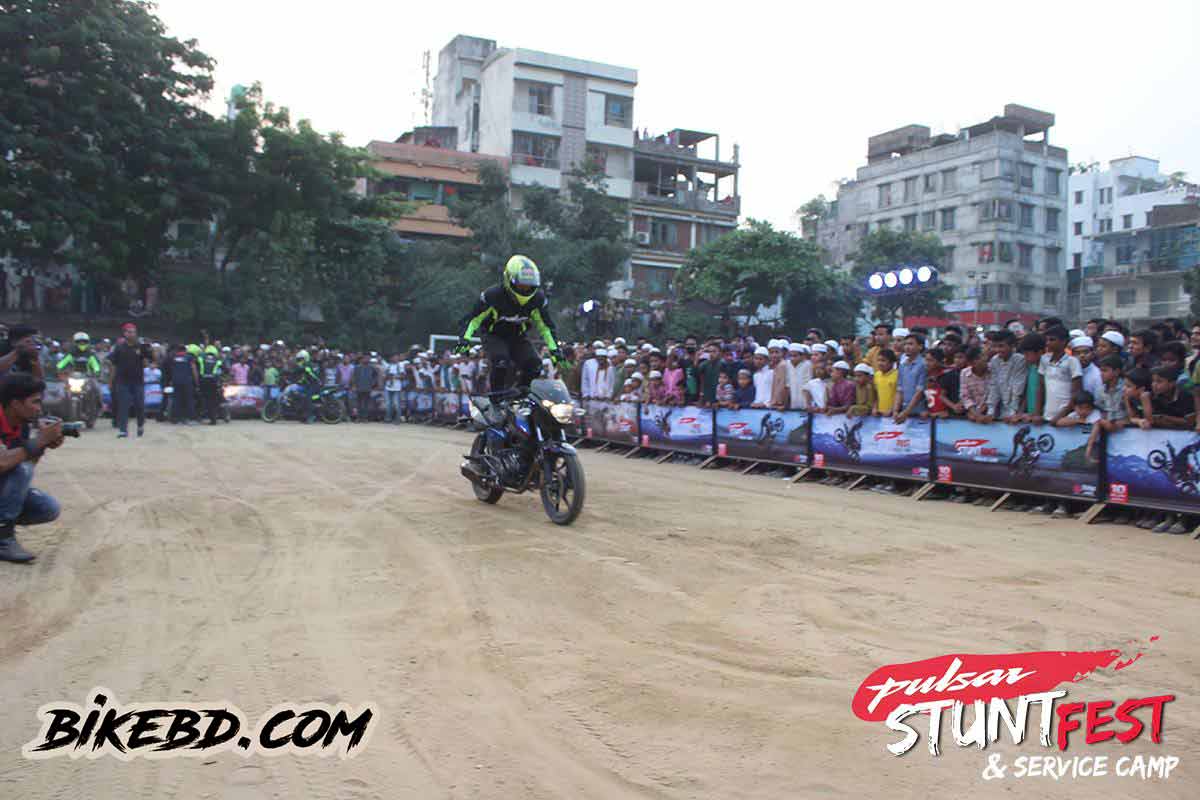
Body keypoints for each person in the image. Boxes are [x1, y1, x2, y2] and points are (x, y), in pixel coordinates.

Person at [455, 255, 564, 393]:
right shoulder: (493, 296)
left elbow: (546, 327)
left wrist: (555, 350)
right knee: (501, 362)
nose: (525, 289)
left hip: (518, 336)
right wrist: (464, 339)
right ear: (509, 280)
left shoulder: (537, 299)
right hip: (493, 335)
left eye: (529, 286)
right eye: (521, 285)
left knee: (535, 364)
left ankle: (521, 393)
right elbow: (473, 319)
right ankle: (497, 396)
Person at [0, 374, 65, 563]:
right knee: (22, 469)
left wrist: (42, 445)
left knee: (47, 508)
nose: (39, 408)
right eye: (35, 402)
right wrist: (38, 441)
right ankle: (3, 539)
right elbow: (2, 463)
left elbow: (27, 465)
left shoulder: (21, 425)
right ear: (15, 404)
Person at [109, 322, 146, 438]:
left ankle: (140, 425)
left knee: (140, 405)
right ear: (124, 333)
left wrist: (146, 352)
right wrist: (111, 380)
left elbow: (146, 362)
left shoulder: (141, 347)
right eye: (129, 332)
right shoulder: (119, 347)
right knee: (123, 406)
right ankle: (123, 430)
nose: (132, 334)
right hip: (122, 381)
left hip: (138, 381)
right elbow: (113, 365)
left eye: (134, 332)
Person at [164, 342, 198, 424]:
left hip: (176, 381)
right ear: (185, 350)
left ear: (177, 350)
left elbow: (169, 369)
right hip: (187, 381)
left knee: (176, 400)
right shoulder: (189, 357)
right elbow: (194, 369)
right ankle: (190, 419)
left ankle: (176, 419)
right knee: (189, 400)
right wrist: (196, 381)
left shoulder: (172, 357)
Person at [290, 350, 322, 424]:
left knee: (307, 398)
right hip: (309, 385)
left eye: (301, 359)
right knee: (301, 396)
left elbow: (310, 374)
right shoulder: (305, 366)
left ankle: (310, 416)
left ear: (305, 358)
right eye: (299, 360)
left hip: (314, 384)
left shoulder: (307, 365)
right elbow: (303, 376)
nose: (299, 361)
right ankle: (302, 416)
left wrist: (294, 371)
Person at [197, 344, 224, 425]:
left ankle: (200, 416)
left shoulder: (201, 359)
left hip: (203, 381)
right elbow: (224, 370)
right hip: (213, 382)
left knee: (202, 398)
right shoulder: (218, 361)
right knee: (213, 400)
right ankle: (213, 419)